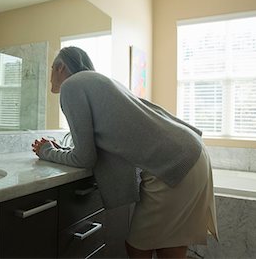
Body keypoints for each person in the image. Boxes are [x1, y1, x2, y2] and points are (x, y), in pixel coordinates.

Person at [32, 46, 218, 259]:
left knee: (140, 247)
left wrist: (46, 151)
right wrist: (59, 150)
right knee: (171, 247)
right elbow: (95, 147)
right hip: (189, 153)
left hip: (174, 165)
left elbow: (85, 158)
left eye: (51, 69)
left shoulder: (71, 86)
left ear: (60, 67)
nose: (49, 77)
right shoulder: (98, 81)